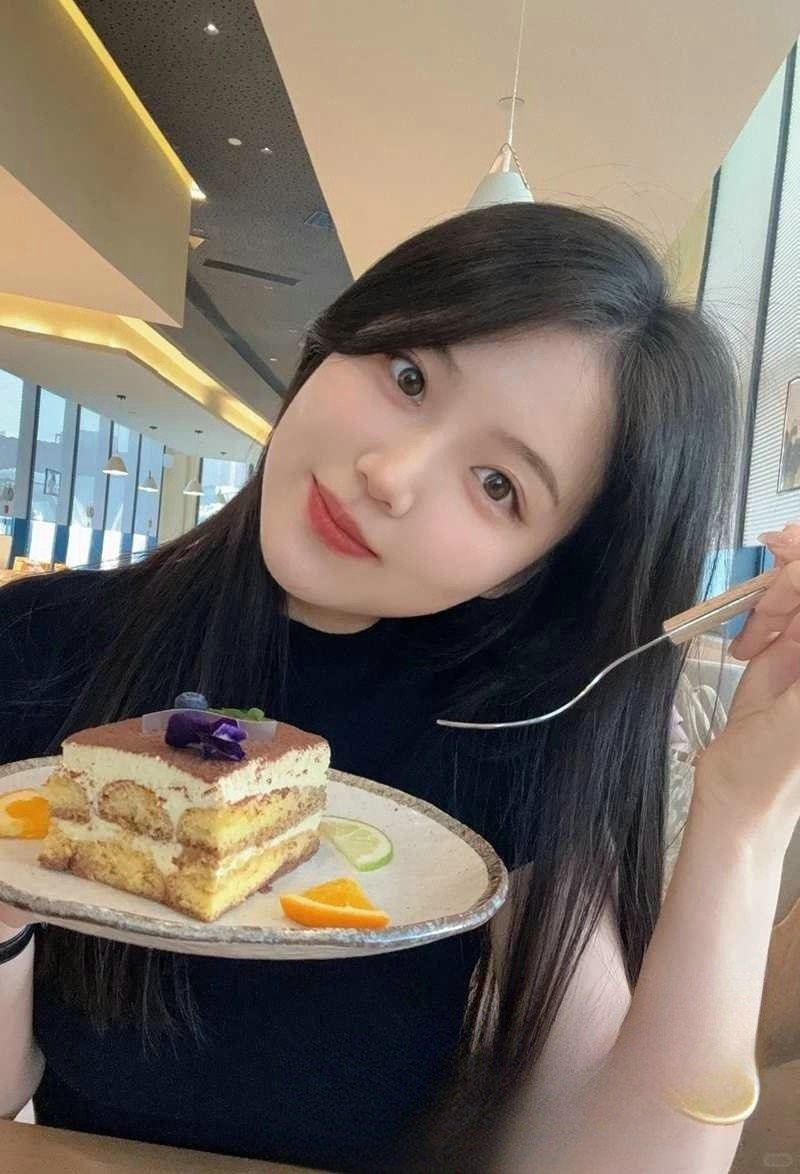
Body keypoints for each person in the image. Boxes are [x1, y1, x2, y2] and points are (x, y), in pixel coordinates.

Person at [0, 202, 799, 1173]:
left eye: (498, 485)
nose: (389, 473)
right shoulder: (40, 642)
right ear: (336, 341)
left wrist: (744, 815)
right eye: (409, 375)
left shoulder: (510, 734)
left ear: (524, 570)